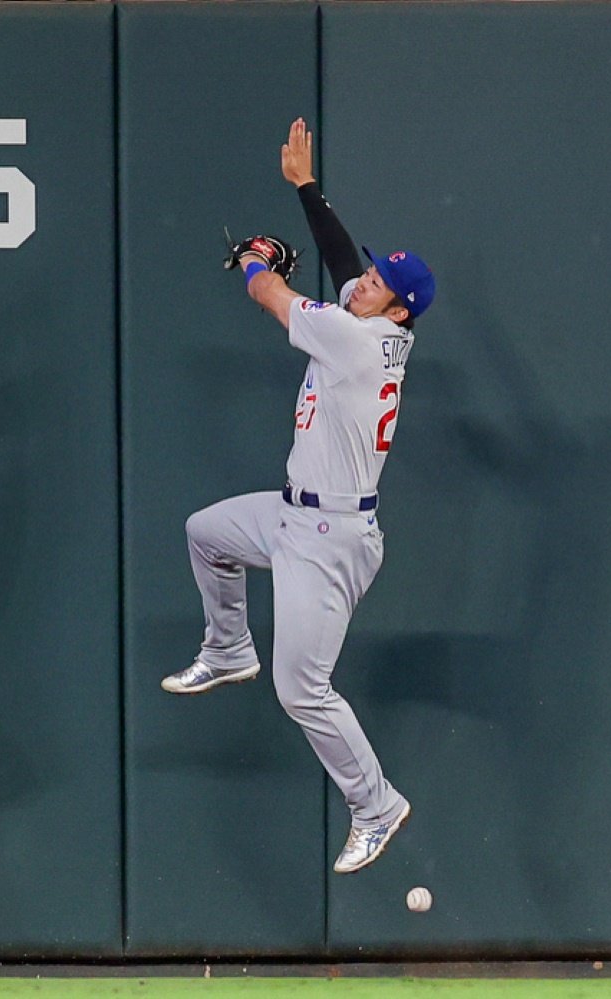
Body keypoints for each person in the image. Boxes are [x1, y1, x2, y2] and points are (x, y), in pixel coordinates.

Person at [161, 118, 436, 874]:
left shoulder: (358, 340)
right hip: (292, 513)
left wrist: (254, 260)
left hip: (332, 539)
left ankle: (375, 805)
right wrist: (305, 191)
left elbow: (271, 295)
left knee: (302, 689)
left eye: (382, 284)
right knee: (206, 532)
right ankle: (227, 647)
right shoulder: (368, 315)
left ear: (399, 312)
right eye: (375, 275)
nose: (366, 281)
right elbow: (343, 261)